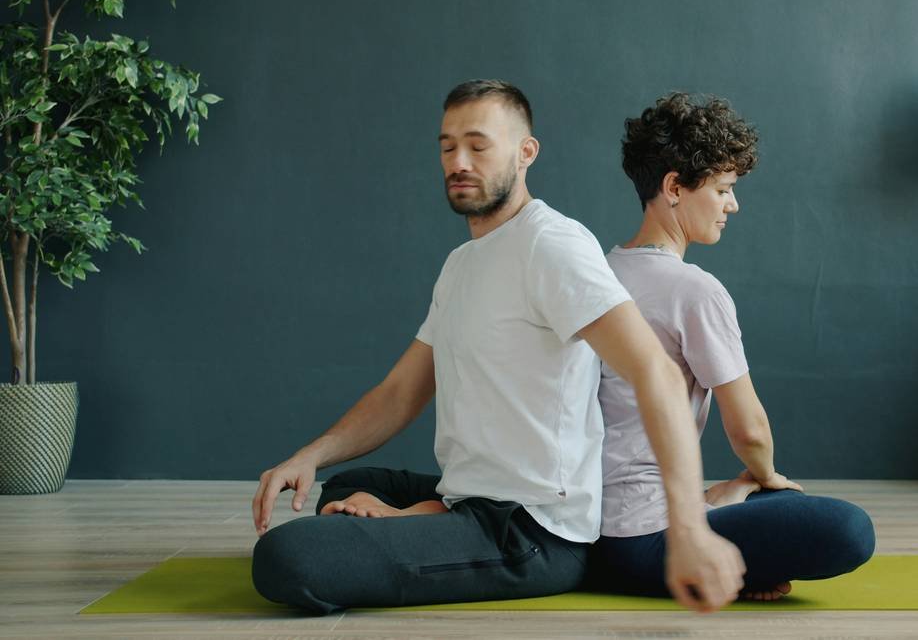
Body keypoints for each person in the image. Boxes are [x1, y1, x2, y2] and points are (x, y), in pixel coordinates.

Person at [249, 80, 745, 615]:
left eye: (479, 146)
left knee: (290, 557)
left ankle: (423, 522)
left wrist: (689, 530)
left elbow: (658, 373)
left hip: (533, 531)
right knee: (347, 482)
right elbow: (400, 392)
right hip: (473, 498)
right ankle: (429, 515)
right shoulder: (462, 263)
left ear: (525, 153)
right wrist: (310, 455)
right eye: (447, 146)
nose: (459, 161)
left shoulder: (552, 245)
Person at [589, 93, 875, 600]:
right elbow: (750, 430)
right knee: (849, 529)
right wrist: (766, 477)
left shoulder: (599, 273)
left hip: (590, 533)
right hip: (652, 538)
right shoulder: (695, 291)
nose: (733, 204)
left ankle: (723, 503)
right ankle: (728, 531)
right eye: (723, 189)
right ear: (674, 187)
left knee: (754, 503)